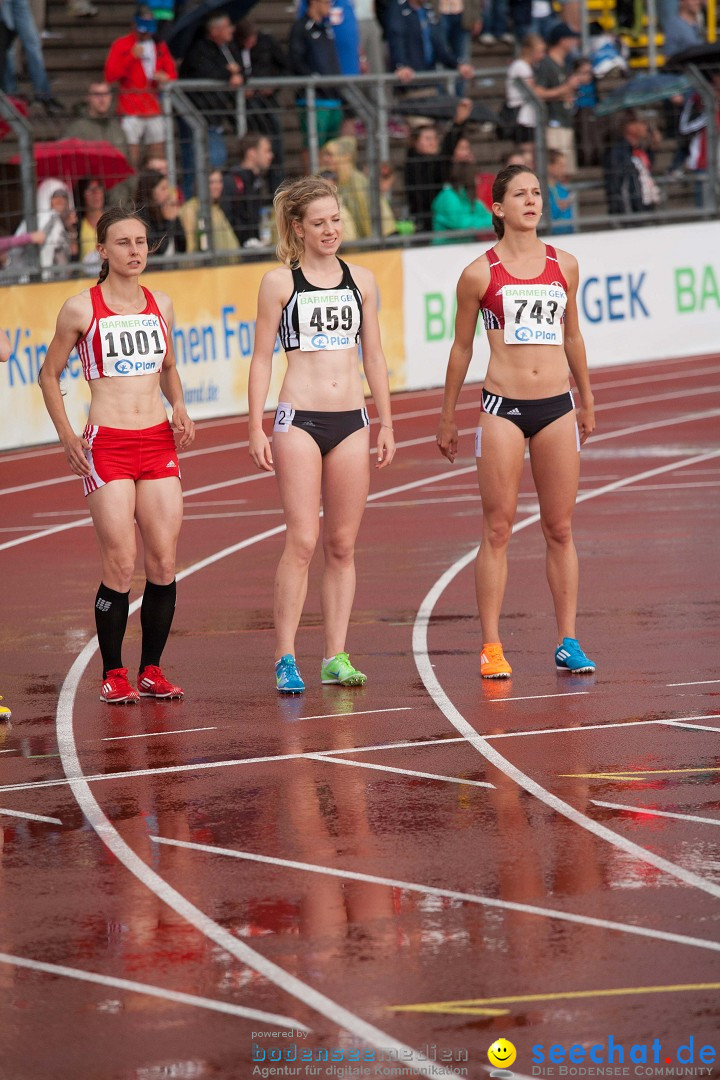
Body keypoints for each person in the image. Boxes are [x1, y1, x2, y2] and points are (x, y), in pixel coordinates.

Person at [436, 163, 596, 678]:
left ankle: (568, 640)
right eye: (520, 194)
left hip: (556, 407)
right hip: (502, 408)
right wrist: (447, 416)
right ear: (498, 208)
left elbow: (573, 337)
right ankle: (491, 645)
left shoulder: (564, 265)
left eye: (537, 193)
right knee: (498, 529)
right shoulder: (479, 274)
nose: (532, 201)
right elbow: (461, 348)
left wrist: (587, 399)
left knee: (560, 527)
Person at [38, 205, 195, 704]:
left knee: (164, 560)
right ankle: (113, 673)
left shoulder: (161, 303)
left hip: (157, 441)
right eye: (124, 243)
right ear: (102, 250)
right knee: (121, 561)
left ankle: (151, 669)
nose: (135, 251)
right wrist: (67, 435)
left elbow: (168, 366)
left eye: (142, 242)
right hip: (107, 443)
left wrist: (181, 407)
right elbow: (49, 373)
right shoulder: (81, 308)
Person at [247, 176, 395, 693]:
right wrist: (255, 425)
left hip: (352, 419)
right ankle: (286, 655)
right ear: (298, 228)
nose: (330, 230)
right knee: (304, 539)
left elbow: (373, 355)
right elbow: (262, 357)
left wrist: (386, 421)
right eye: (319, 223)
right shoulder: (279, 283)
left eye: (336, 220)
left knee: (342, 543)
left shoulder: (363, 281)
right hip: (300, 419)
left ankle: (335, 654)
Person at [104, 5, 177, 168]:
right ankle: (133, 191)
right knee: (131, 157)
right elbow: (110, 75)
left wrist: (165, 77)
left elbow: (172, 73)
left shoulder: (159, 46)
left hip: (153, 107)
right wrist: (131, 57)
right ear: (133, 25)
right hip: (130, 109)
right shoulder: (122, 44)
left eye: (148, 30)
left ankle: (156, 188)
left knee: (158, 156)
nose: (145, 34)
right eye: (142, 29)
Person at [178, 12, 243, 170]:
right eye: (227, 26)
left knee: (216, 158)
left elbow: (243, 70)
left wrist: (239, 74)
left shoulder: (229, 47)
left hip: (217, 114)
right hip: (198, 112)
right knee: (199, 160)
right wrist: (229, 74)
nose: (232, 29)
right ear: (214, 31)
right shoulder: (199, 48)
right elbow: (207, 71)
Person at [533, 22, 583, 173]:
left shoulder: (563, 64)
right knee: (557, 170)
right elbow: (538, 92)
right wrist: (566, 88)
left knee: (567, 171)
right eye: (572, 38)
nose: (575, 42)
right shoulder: (547, 64)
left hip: (565, 121)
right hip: (554, 122)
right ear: (562, 40)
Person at [603, 110, 661, 219]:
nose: (646, 128)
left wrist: (654, 147)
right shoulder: (617, 152)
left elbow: (647, 170)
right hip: (629, 212)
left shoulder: (640, 149)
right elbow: (617, 185)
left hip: (644, 208)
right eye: (643, 123)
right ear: (630, 127)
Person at [220, 132, 273, 247]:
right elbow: (226, 218)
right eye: (266, 151)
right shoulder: (231, 181)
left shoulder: (258, 181)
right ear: (251, 153)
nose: (271, 156)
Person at [179, 168, 240, 253]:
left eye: (220, 181)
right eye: (211, 182)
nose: (217, 186)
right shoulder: (190, 209)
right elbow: (190, 246)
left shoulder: (216, 209)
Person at [431, 159, 492, 241]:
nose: (479, 181)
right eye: (475, 176)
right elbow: (461, 224)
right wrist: (488, 222)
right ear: (467, 177)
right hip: (445, 248)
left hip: (464, 247)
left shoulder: (467, 196)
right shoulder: (448, 197)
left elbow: (488, 216)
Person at [135, 168, 187, 256]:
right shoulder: (141, 217)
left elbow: (183, 247)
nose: (168, 193)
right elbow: (157, 252)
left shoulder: (167, 210)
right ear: (150, 193)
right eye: (163, 189)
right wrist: (168, 222)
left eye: (167, 188)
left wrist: (175, 220)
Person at [76, 177, 107, 264]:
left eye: (99, 188)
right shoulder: (77, 226)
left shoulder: (112, 223)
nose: (96, 194)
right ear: (82, 195)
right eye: (90, 190)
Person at [546, 147, 575, 233]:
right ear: (550, 166)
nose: (564, 169)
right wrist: (559, 207)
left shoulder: (564, 190)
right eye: (560, 165)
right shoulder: (540, 191)